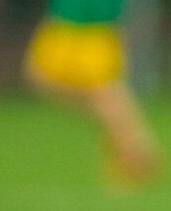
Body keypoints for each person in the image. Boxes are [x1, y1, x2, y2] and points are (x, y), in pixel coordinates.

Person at [25, 0, 160, 190]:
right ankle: (130, 139)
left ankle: (134, 149)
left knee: (103, 91)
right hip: (72, 21)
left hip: (91, 23)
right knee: (46, 79)